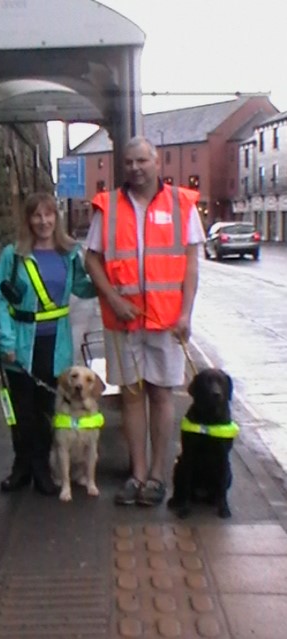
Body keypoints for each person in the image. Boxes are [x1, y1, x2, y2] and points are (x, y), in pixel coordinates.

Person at [85, 136, 205, 506]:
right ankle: (136, 476)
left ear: (156, 162)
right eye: (129, 162)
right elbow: (92, 259)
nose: (135, 168)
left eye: (142, 161)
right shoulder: (108, 206)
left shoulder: (182, 203)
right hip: (123, 321)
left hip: (167, 321)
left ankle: (158, 476)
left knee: (162, 394)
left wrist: (186, 313)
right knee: (131, 396)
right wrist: (114, 299)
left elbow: (190, 264)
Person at [0, 192, 96, 495]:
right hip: (20, 342)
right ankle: (22, 468)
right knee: (22, 410)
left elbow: (85, 287)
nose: (43, 221)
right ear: (28, 219)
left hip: (54, 343)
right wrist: (5, 341)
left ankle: (43, 471)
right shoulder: (13, 255)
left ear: (56, 217)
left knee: (47, 409)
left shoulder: (69, 253)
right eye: (36, 215)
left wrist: (105, 276)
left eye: (49, 214)